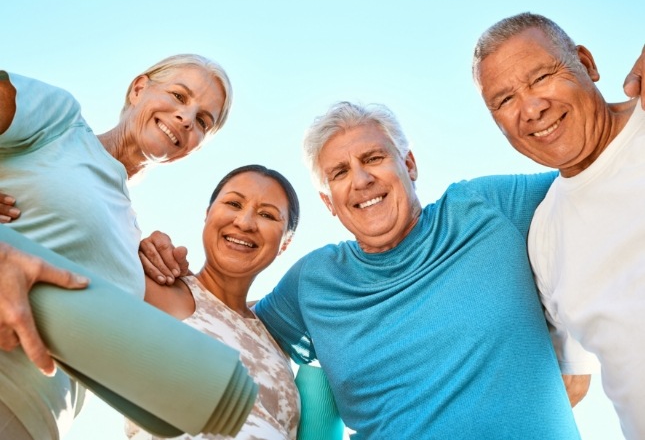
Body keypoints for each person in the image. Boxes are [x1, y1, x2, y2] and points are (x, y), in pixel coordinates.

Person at [245, 101, 579, 439]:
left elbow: (596, 176)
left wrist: (579, 354)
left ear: (409, 164)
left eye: (373, 158)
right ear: (329, 201)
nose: (361, 180)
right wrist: (188, 283)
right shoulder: (314, 281)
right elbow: (232, 325)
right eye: (340, 172)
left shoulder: (485, 208)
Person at [0, 54, 232, 440]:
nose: (187, 117)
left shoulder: (133, 237)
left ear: (193, 147)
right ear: (139, 89)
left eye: (203, 121)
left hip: (37, 424)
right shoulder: (61, 122)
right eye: (178, 95)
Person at [472, 12, 645, 440]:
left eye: (541, 77)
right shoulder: (545, 238)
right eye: (504, 100)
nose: (531, 109)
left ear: (586, 64)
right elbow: (572, 380)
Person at [128, 165, 301, 440]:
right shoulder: (155, 287)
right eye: (233, 203)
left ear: (285, 244)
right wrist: (133, 249)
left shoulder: (277, 339)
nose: (245, 223)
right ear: (208, 214)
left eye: (267, 215)